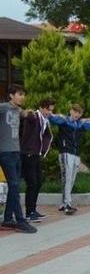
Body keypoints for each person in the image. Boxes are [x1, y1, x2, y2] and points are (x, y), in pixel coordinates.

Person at [50, 104, 90, 214]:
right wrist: (48, 113)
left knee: (70, 179)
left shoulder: (80, 124)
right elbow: (52, 117)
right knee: (67, 179)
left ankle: (64, 203)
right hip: (66, 153)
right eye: (75, 111)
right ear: (71, 111)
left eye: (79, 113)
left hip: (76, 154)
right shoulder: (64, 121)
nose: (77, 114)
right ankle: (67, 204)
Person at [0, 85, 36, 233]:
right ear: (11, 95)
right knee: (14, 186)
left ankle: (8, 219)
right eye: (20, 94)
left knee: (14, 186)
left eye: (23, 94)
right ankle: (20, 221)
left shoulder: (18, 110)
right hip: (5, 152)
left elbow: (25, 113)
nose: (23, 97)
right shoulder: (3, 108)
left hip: (16, 152)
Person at [20, 98, 55, 222]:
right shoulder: (34, 117)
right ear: (41, 107)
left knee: (39, 182)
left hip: (36, 155)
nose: (49, 112)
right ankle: (29, 213)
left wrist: (43, 151)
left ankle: (33, 210)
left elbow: (46, 136)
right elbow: (27, 116)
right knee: (32, 183)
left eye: (51, 110)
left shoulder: (45, 120)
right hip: (28, 154)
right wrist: (26, 112)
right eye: (48, 109)